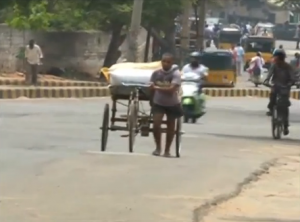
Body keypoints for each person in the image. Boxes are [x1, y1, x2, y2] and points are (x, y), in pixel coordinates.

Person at [149, 53, 183, 157]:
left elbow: (172, 90)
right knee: (156, 124)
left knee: (171, 127)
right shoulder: (156, 74)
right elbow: (150, 88)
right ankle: (158, 147)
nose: (165, 64)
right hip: (158, 103)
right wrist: (151, 99)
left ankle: (167, 150)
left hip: (172, 104)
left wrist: (156, 88)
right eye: (164, 61)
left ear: (172, 63)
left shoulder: (176, 74)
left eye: (168, 62)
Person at [264, 49, 295, 135]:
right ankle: (271, 109)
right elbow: (269, 74)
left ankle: (285, 125)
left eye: (277, 58)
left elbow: (292, 77)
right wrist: (266, 80)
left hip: (285, 87)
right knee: (272, 97)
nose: (275, 60)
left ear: (281, 58)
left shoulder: (288, 67)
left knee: (285, 107)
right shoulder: (274, 66)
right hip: (276, 86)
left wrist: (290, 83)